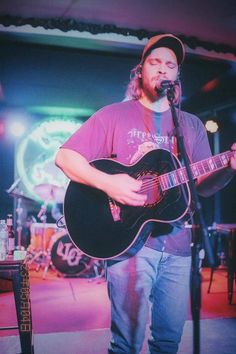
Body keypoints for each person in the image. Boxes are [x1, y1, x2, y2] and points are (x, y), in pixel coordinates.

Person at [55, 34, 236, 354]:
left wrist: (229, 167)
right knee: (126, 343)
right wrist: (109, 183)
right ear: (140, 70)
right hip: (128, 243)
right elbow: (65, 157)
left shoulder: (191, 125)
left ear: (177, 76)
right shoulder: (114, 115)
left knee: (168, 341)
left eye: (171, 65)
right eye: (155, 62)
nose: (163, 69)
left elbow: (203, 186)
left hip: (179, 246)